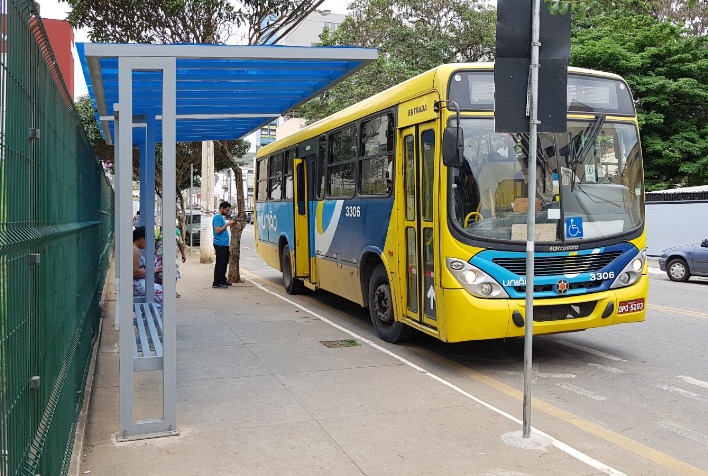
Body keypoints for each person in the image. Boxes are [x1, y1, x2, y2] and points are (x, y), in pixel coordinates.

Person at [132, 226, 163, 313]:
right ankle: (153, 319)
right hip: (134, 284)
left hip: (135, 283)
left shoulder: (134, 249)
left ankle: (148, 316)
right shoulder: (135, 251)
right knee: (163, 292)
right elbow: (135, 272)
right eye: (148, 239)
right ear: (141, 238)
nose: (150, 242)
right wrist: (153, 270)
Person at [154, 224, 187, 297]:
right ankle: (160, 290)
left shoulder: (177, 231)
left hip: (172, 256)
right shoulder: (159, 229)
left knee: (174, 273)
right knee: (159, 273)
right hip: (160, 257)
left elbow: (180, 244)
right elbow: (154, 242)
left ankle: (172, 290)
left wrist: (183, 254)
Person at [212, 201, 234, 288]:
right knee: (220, 264)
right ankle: (217, 282)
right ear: (222, 208)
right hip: (220, 244)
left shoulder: (221, 217)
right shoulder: (217, 217)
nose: (227, 212)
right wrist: (227, 224)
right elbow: (217, 230)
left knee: (224, 263)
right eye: (227, 210)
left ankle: (222, 280)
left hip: (224, 244)